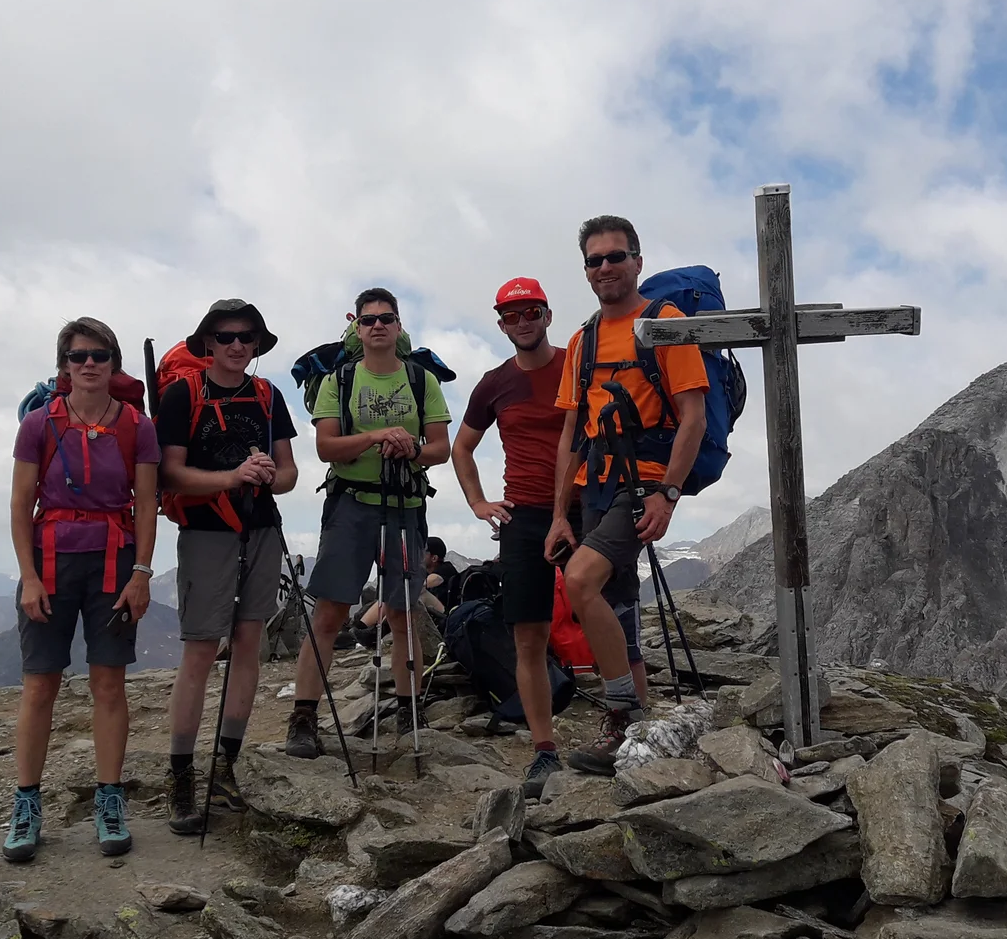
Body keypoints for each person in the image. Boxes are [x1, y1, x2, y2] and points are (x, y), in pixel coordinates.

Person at [547, 216, 708, 773]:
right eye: (595, 261)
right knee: (618, 609)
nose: (605, 268)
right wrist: (558, 516)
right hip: (594, 487)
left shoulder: (666, 324)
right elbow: (571, 433)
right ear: (586, 272)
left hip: (640, 485)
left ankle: (619, 715)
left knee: (581, 581)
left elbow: (693, 416)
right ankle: (636, 743)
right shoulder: (581, 341)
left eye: (616, 257)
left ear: (637, 261)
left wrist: (668, 492)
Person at [7, 317, 159, 862]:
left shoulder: (138, 427)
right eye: (78, 356)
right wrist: (27, 576)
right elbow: (20, 505)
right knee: (39, 685)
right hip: (49, 563)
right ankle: (26, 803)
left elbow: (146, 505)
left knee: (109, 684)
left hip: (114, 562)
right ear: (63, 366)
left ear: (113, 363)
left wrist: (142, 571)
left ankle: (110, 799)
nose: (89, 364)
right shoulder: (37, 425)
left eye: (98, 355)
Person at [287, 288, 451, 757]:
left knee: (402, 610)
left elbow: (438, 447)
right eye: (369, 320)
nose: (377, 326)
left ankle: (408, 709)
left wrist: (411, 450)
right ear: (357, 329)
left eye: (386, 318)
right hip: (351, 504)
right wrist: (380, 436)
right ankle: (303, 717)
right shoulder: (339, 380)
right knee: (329, 612)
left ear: (398, 327)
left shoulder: (422, 381)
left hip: (404, 504)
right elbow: (325, 448)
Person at [155, 299, 298, 836]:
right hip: (207, 533)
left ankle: (227, 767)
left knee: (248, 642)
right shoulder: (181, 395)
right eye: (225, 336)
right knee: (199, 649)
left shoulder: (267, 396)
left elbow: (289, 473)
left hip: (260, 526)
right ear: (208, 344)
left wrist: (265, 476)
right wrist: (234, 477)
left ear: (256, 344)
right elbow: (169, 475)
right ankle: (182, 777)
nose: (237, 344)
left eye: (246, 336)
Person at [452, 276, 570, 795]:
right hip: (522, 516)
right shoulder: (494, 382)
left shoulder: (575, 364)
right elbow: (462, 448)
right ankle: (544, 750)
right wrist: (479, 503)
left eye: (531, 312)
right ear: (501, 324)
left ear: (547, 314)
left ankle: (626, 725)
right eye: (511, 315)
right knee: (529, 634)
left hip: (584, 507)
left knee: (607, 610)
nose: (522, 322)